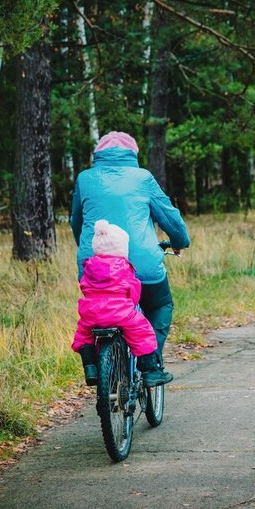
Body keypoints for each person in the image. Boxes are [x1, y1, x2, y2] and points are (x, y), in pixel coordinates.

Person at [70, 131, 190, 371]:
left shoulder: (85, 179)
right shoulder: (142, 178)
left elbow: (76, 221)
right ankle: (150, 364)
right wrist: (180, 241)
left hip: (94, 267)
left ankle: (98, 364)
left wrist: (88, 251)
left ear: (99, 154)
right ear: (132, 154)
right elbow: (169, 217)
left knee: (98, 310)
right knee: (160, 306)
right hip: (142, 266)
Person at [71, 219, 172, 388]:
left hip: (91, 313)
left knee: (83, 336)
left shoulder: (89, 266)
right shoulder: (123, 267)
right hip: (120, 313)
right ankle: (150, 371)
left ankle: (90, 367)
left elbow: (84, 286)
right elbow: (134, 290)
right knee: (143, 331)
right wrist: (130, 302)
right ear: (121, 248)